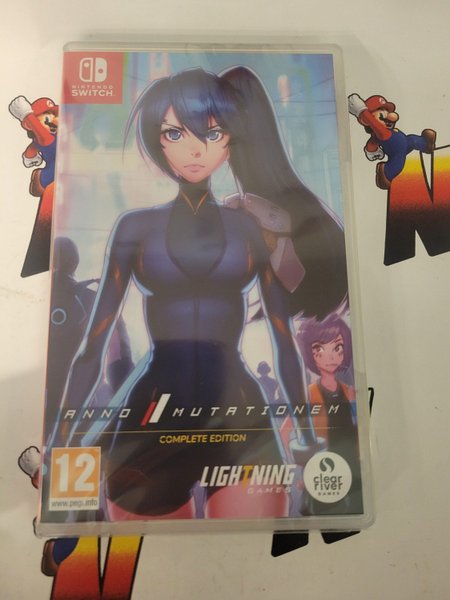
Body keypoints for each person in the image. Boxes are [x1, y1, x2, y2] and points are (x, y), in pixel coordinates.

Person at [45, 66, 348, 522]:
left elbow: (283, 338)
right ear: (158, 140)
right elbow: (94, 343)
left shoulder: (248, 227)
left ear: (230, 140)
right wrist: (61, 441)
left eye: (211, 133)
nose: (193, 149)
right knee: (157, 551)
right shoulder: (135, 228)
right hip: (151, 416)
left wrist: (305, 437)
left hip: (239, 413)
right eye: (174, 133)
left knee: (247, 544)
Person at [296, 313, 362, 513]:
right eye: (319, 350)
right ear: (310, 354)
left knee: (355, 507)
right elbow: (287, 430)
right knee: (324, 511)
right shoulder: (309, 393)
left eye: (338, 348)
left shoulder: (350, 391)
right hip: (324, 463)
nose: (331, 357)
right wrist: (305, 467)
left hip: (351, 457)